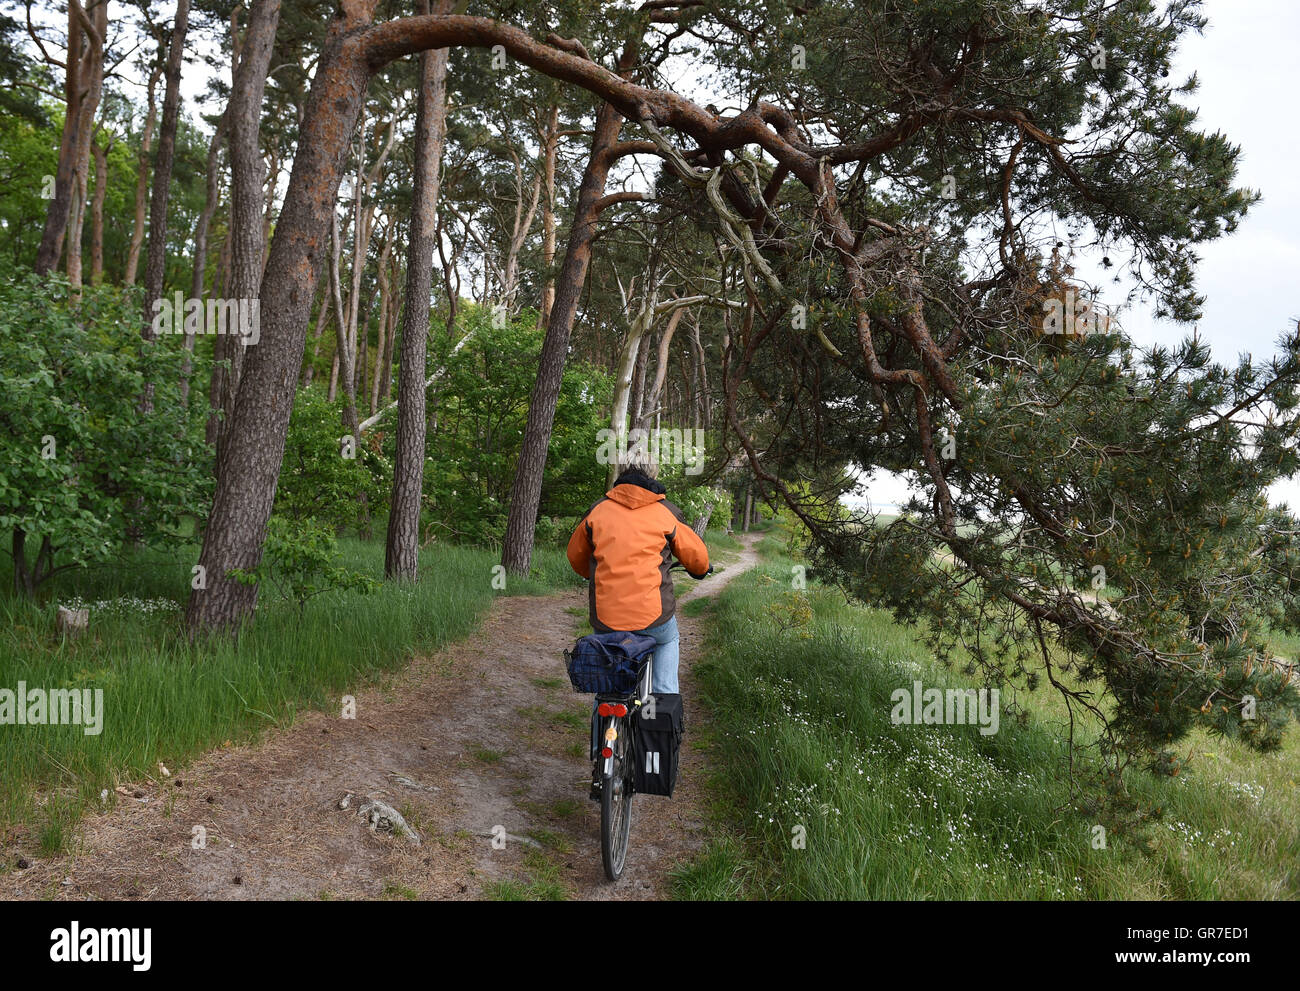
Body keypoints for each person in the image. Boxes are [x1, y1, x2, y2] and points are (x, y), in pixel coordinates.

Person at [566, 464, 711, 695]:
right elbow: (698, 558)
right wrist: (701, 570)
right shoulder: (665, 511)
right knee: (667, 640)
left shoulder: (598, 510)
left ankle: (605, 716)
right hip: (654, 619)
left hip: (607, 620)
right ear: (653, 475)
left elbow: (575, 556)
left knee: (608, 683)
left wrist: (591, 573)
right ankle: (663, 699)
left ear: (620, 474)